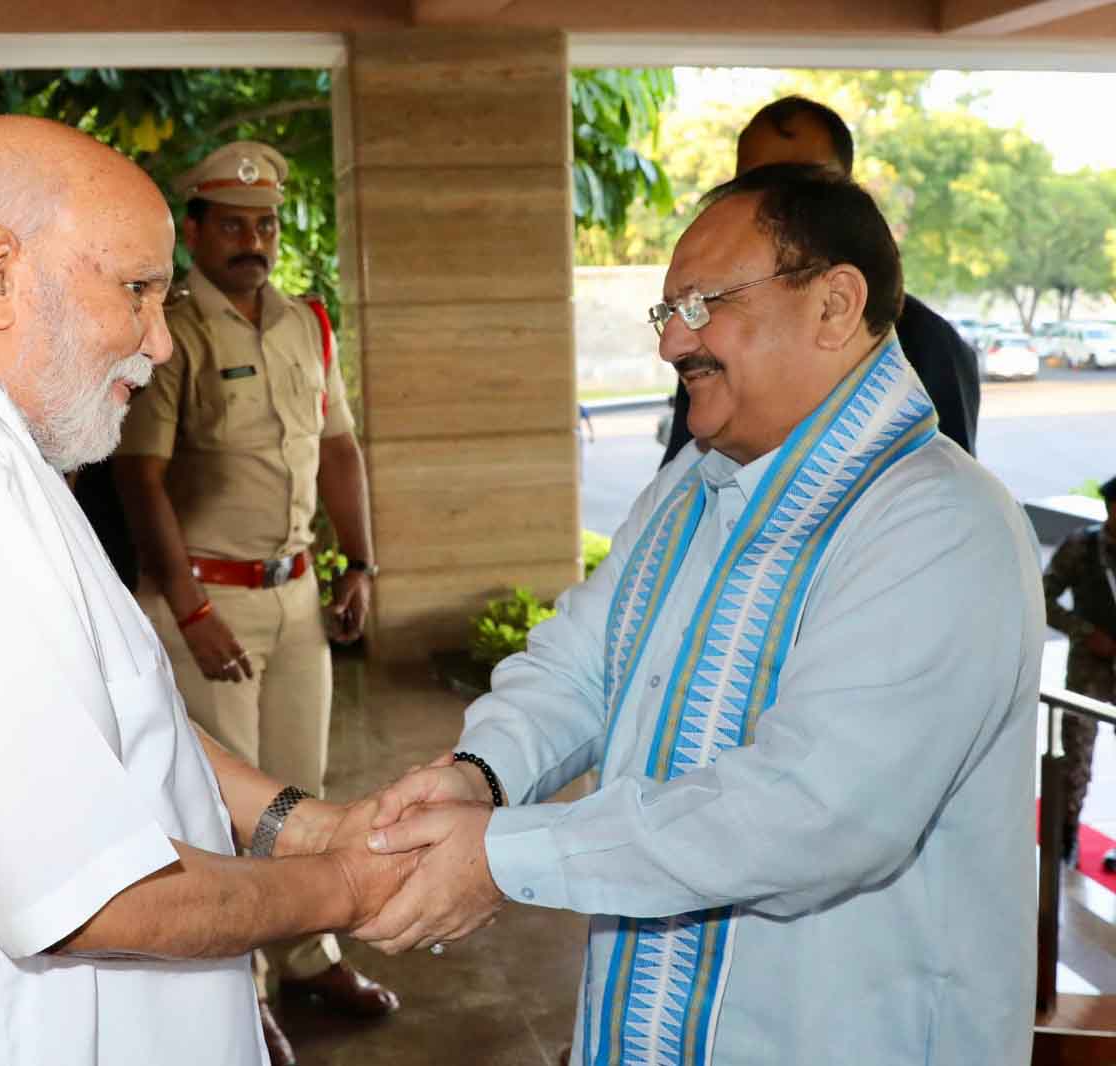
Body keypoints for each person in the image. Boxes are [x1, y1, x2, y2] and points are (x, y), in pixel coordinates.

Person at [0, 116, 415, 1066]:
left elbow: (100, 715)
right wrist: (349, 886)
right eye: (135, 291)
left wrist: (302, 823)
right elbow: (92, 897)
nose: (158, 342)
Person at [360, 166, 1043, 1065]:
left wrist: (505, 854)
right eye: (666, 311)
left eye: (703, 302)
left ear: (835, 305)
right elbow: (580, 664)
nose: (672, 342)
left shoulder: (938, 524)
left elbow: (812, 811)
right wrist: (484, 777)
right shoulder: (692, 484)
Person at [110, 140, 394, 1065]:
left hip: (297, 595)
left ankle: (309, 955)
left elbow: (340, 450)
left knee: (300, 792)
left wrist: (361, 561)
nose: (253, 239)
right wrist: (190, 612)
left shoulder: (308, 324)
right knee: (224, 813)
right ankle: (245, 993)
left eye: (265, 223)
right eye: (232, 223)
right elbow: (140, 476)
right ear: (195, 230)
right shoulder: (173, 329)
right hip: (208, 605)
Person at [661, 95, 980, 465]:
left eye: (804, 182)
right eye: (753, 183)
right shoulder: (708, 343)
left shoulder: (932, 345)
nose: (674, 346)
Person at [1044, 474, 1116, 866]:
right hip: (1088, 671)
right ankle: (1066, 837)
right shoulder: (1082, 548)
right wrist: (1085, 632)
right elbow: (1044, 595)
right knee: (1075, 760)